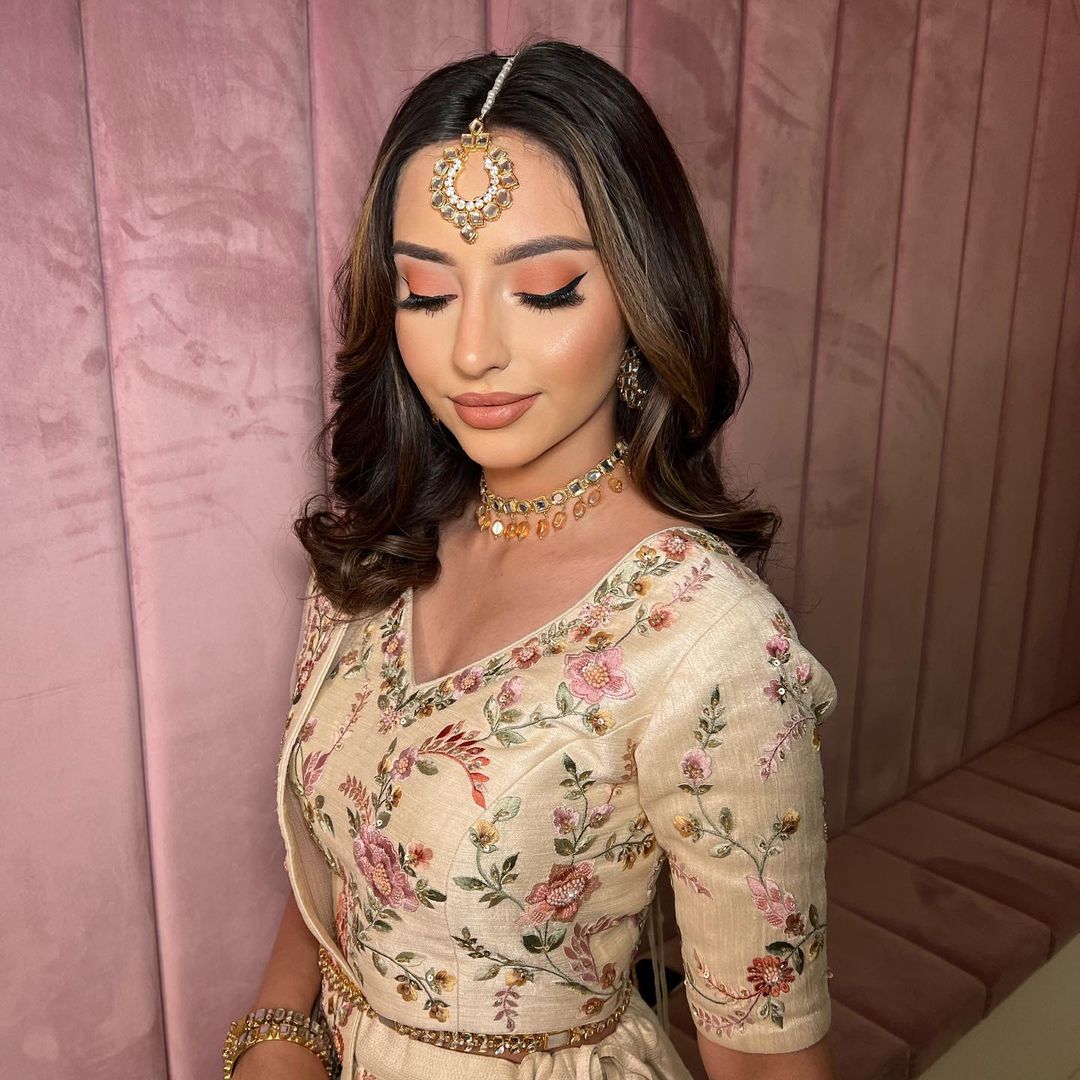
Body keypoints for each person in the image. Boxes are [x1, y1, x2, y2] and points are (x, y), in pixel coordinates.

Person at [223, 37, 839, 1080]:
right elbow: (340, 856)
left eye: (545, 290)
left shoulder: (712, 643)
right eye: (425, 293)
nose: (471, 352)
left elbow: (772, 1065)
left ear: (643, 300)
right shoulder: (377, 555)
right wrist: (276, 1040)